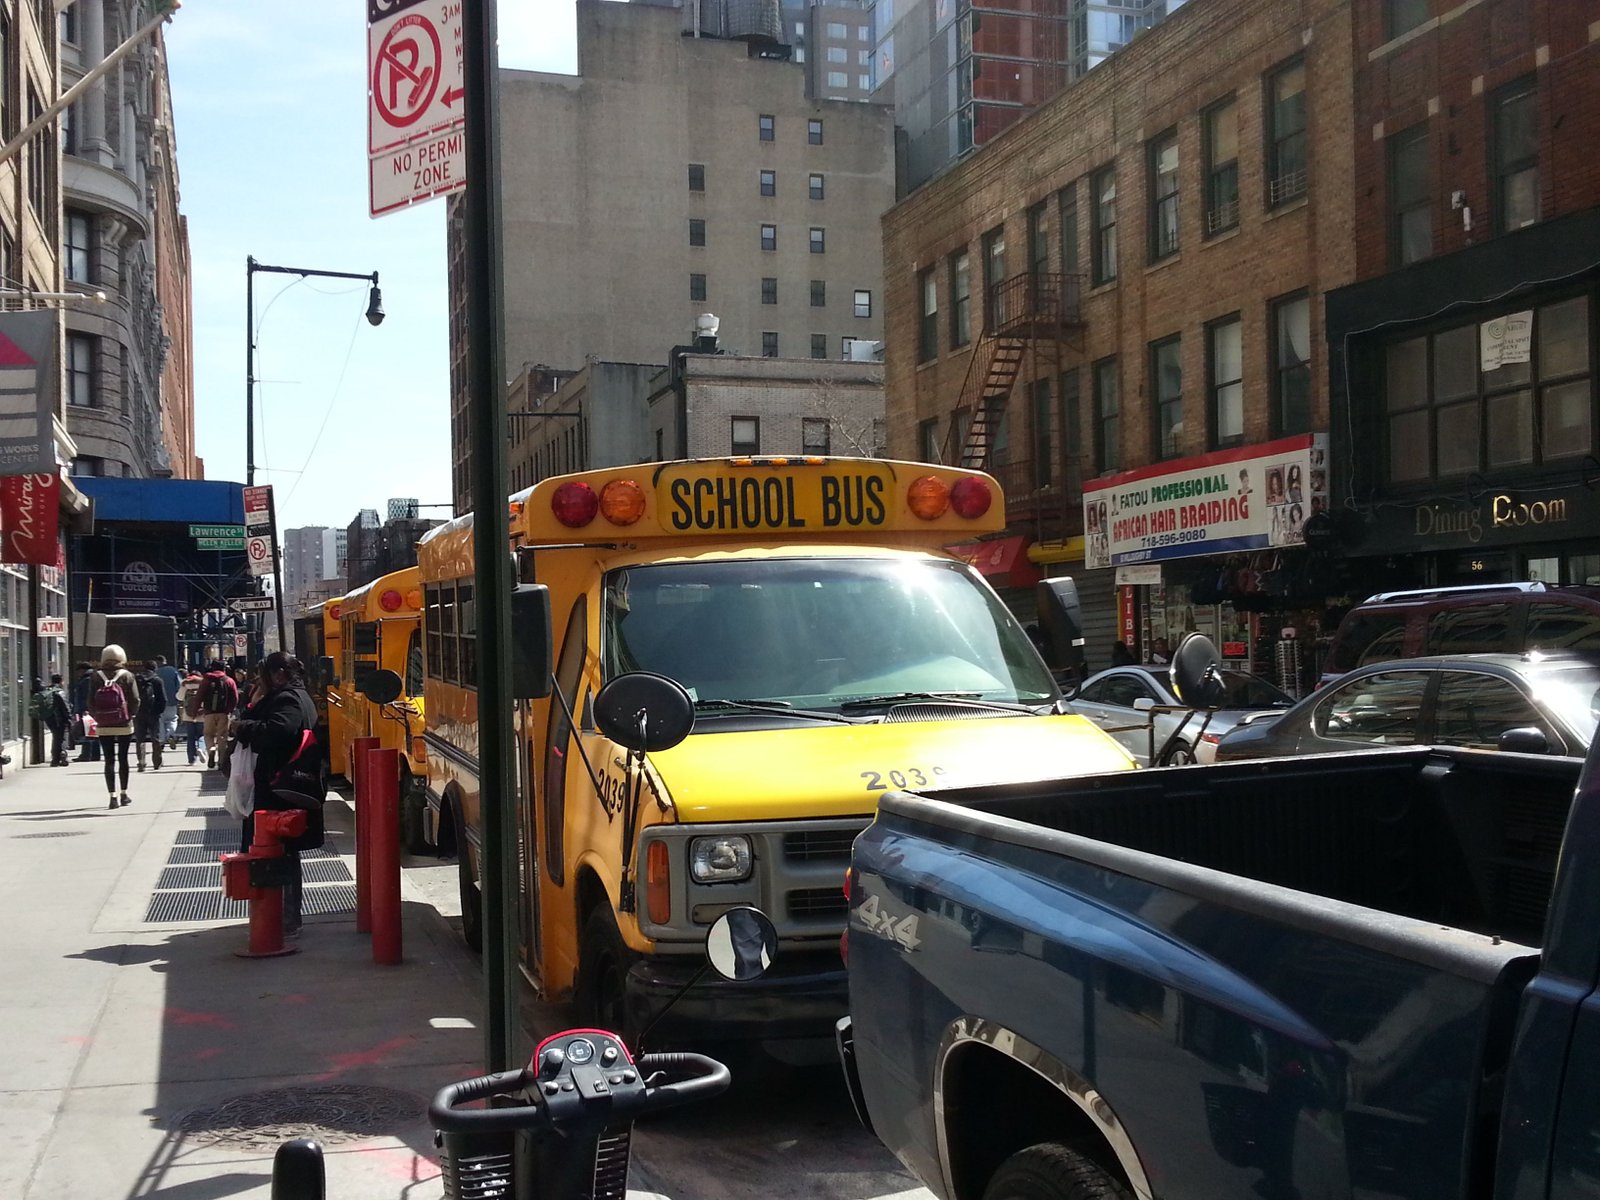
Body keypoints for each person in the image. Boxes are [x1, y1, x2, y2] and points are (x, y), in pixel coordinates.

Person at [234, 653, 321, 937]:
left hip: (277, 790)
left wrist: (242, 727)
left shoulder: (288, 699)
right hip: (285, 787)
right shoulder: (297, 695)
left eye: (265, 675)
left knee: (276, 853)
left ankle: (281, 919)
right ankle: (285, 917)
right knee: (284, 853)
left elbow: (278, 732)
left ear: (278, 674)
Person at [89, 645, 140, 809]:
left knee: (109, 760)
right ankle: (124, 793)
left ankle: (112, 797)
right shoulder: (127, 676)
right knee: (123, 758)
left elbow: (90, 700)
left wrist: (97, 716)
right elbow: (136, 699)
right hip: (124, 723)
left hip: (103, 723)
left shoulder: (96, 676)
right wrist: (130, 714)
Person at [197, 659, 238, 770]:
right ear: (224, 668)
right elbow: (235, 698)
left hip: (209, 713)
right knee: (222, 736)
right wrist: (229, 710)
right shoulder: (229, 681)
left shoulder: (206, 680)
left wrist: (196, 710)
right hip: (223, 713)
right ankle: (221, 761)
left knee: (208, 734)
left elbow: (199, 696)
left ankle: (211, 749)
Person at [133, 660, 167, 772]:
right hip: (153, 713)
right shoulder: (157, 680)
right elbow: (162, 699)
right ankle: (157, 761)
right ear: (155, 668)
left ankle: (141, 762)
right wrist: (158, 711)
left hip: (139, 712)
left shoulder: (137, 680)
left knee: (140, 738)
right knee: (155, 737)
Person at [31, 675, 71, 766]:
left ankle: (56, 758)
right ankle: (60, 756)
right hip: (58, 718)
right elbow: (65, 707)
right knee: (60, 738)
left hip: (49, 718)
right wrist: (69, 718)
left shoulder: (47, 690)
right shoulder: (59, 692)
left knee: (56, 737)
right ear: (61, 681)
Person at [71, 661, 100, 762]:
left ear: (82, 670)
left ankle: (86, 755)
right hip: (93, 709)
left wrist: (84, 709)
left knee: (87, 732)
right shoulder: (94, 677)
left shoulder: (86, 680)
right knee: (93, 732)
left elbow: (86, 696)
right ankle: (95, 755)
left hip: (86, 709)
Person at [178, 666, 205, 765]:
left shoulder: (185, 683)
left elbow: (179, 697)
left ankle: (191, 759)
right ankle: (201, 748)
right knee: (202, 734)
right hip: (201, 714)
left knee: (190, 737)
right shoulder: (203, 683)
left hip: (188, 715)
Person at [155, 655, 183, 749]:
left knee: (160, 721)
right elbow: (179, 685)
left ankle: (161, 742)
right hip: (172, 701)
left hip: (158, 702)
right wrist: (179, 699)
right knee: (172, 719)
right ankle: (170, 734)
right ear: (165, 661)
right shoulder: (173, 671)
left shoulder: (155, 673)